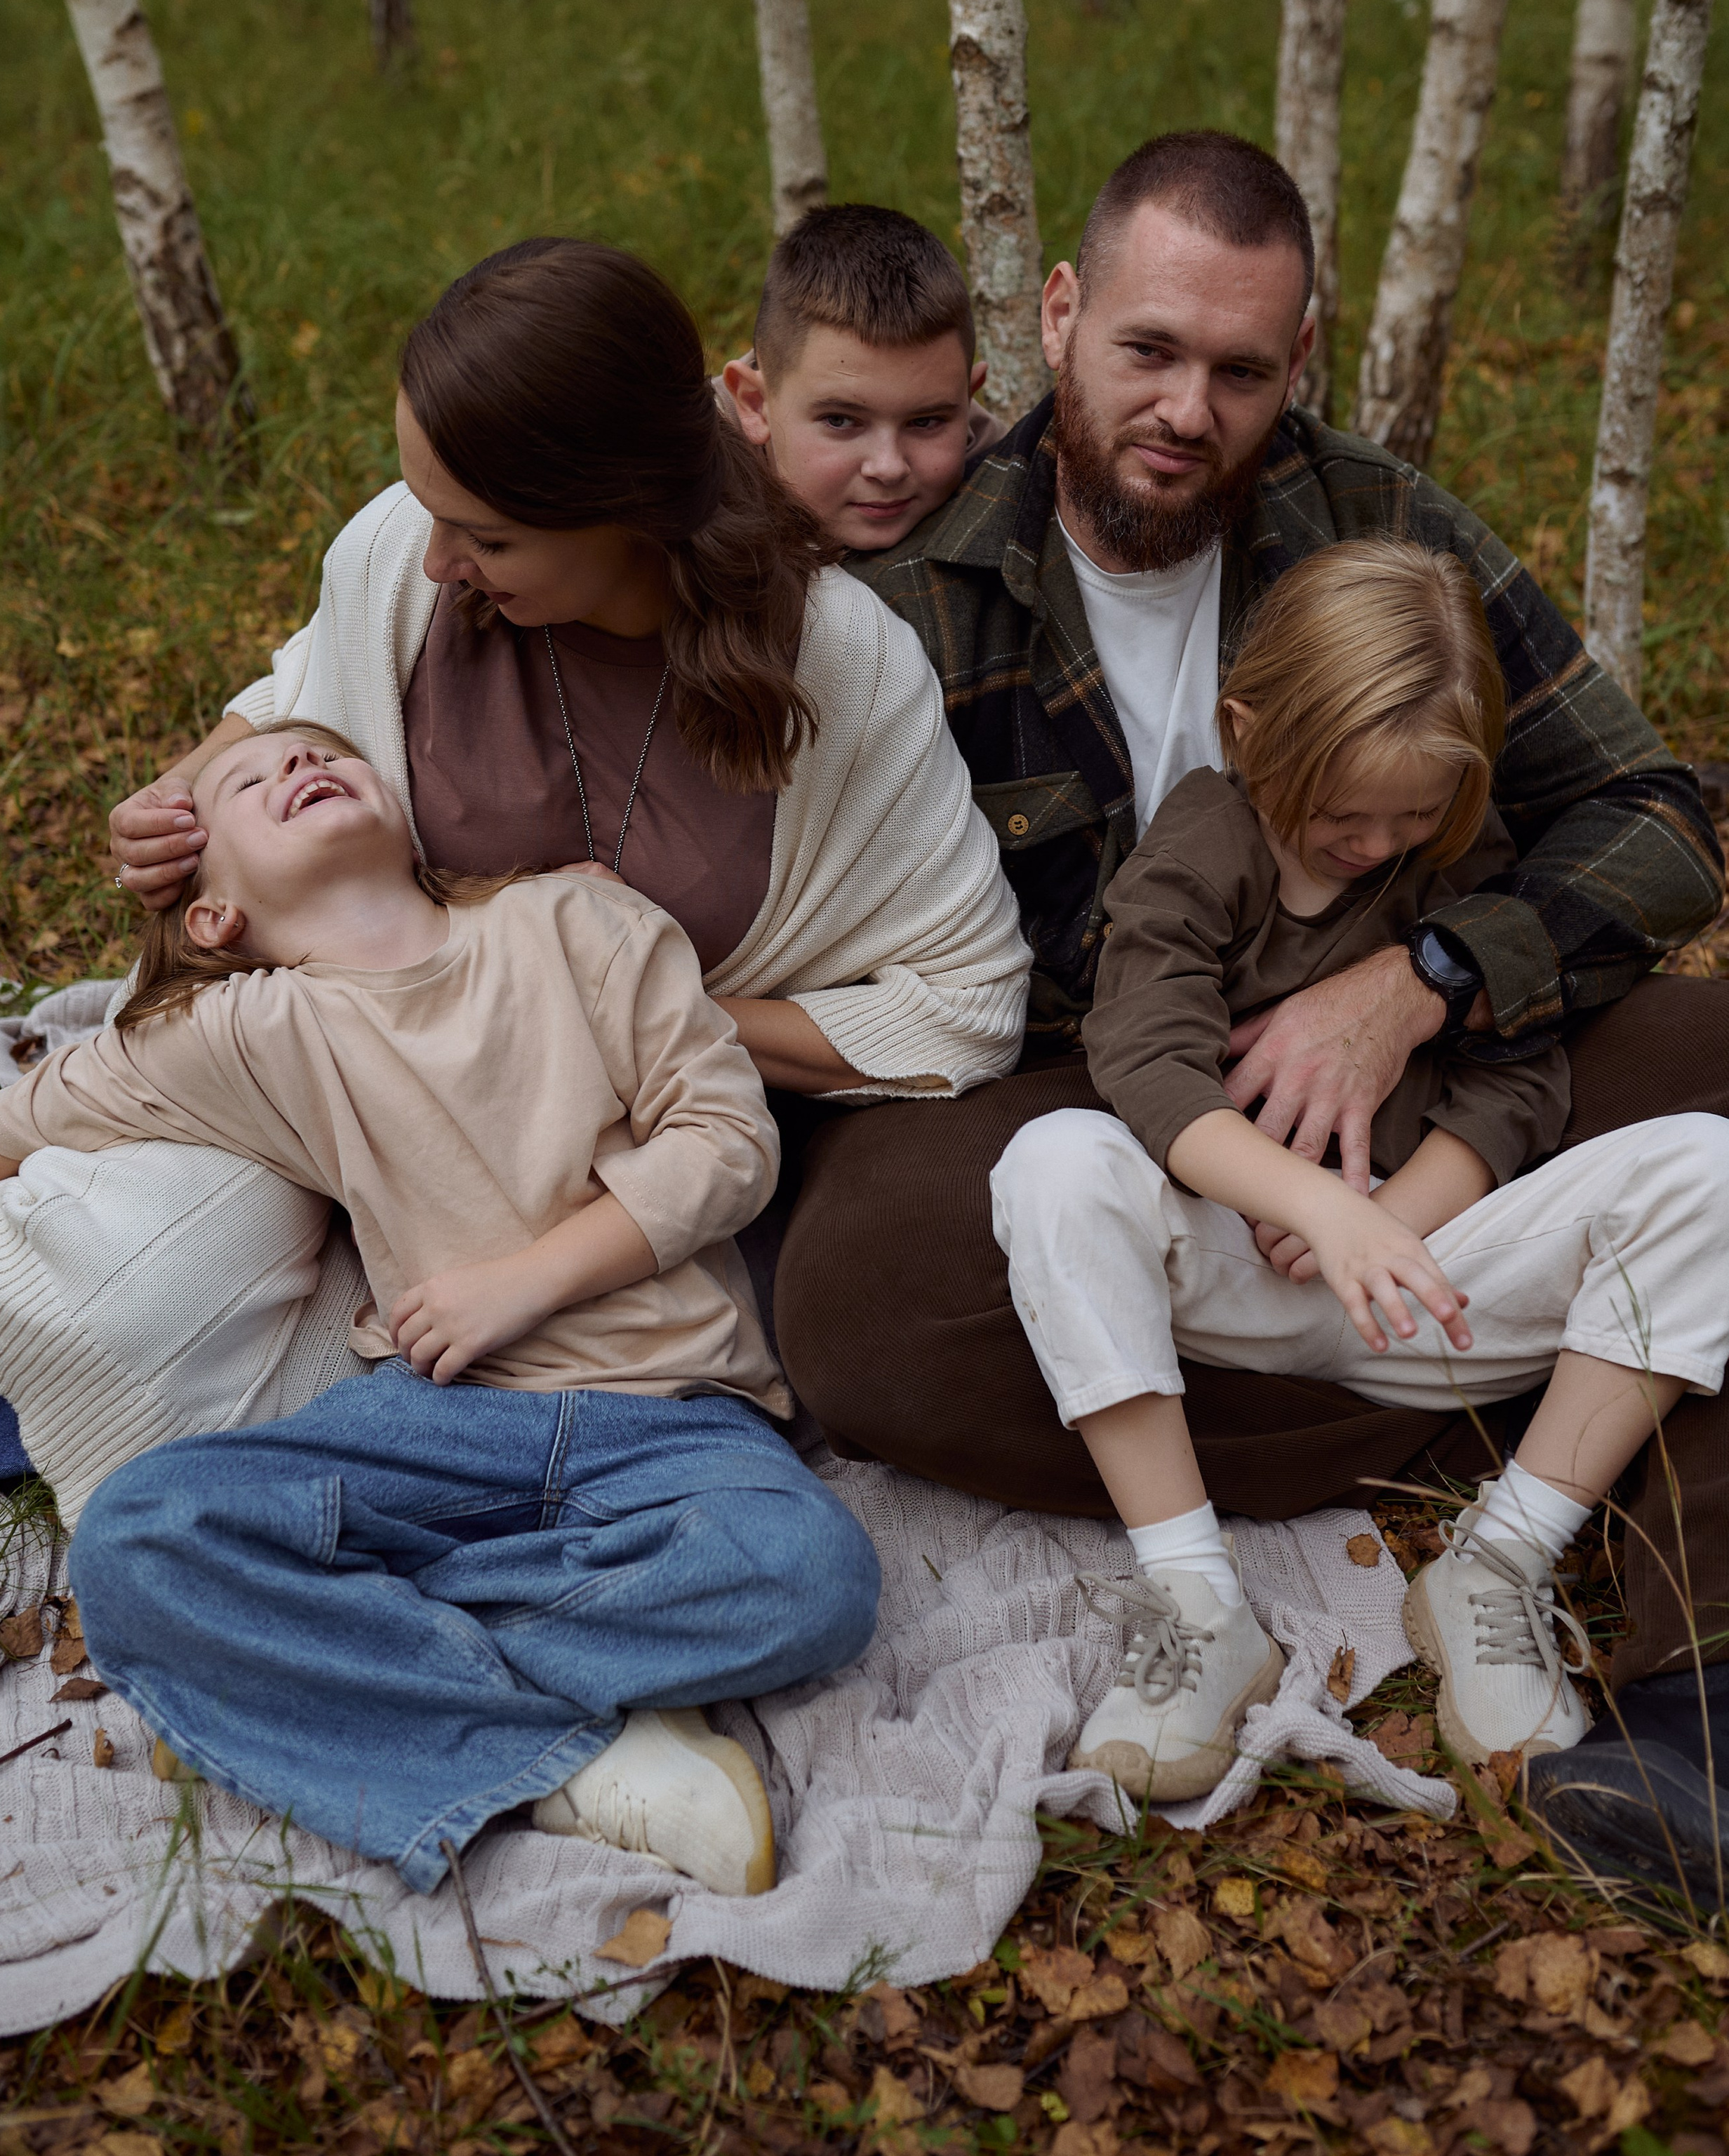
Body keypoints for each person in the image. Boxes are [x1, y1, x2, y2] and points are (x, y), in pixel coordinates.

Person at [772, 130, 1729, 1856]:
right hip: (1085, 1096)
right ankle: (1447, 1411)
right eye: (1144, 349)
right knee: (850, 1296)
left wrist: (1423, 977)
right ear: (1058, 316)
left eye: (1234, 368)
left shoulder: (1365, 524)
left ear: (1293, 362)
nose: (1183, 408)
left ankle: (1687, 1686)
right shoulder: (913, 582)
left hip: (1424, 1097)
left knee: (1717, 1082)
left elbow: (1655, 815)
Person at [0, 239, 1028, 1520]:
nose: (441, 558)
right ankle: (278, 1480)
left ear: (629, 511)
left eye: (488, 535)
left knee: (766, 1390)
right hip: (362, 1106)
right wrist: (179, 803)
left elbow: (966, 1004)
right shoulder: (407, 561)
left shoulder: (844, 670)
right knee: (100, 1278)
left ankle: (398, 1484)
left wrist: (616, 1014)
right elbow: (295, 699)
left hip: (657, 1155)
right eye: (433, 511)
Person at [0, 721, 881, 1897]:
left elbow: (730, 1142)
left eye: (320, 752)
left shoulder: (580, 924)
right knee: (137, 1537)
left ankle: (317, 1679)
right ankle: (580, 1762)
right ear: (211, 914)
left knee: (812, 1573)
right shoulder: (245, 1032)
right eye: (248, 776)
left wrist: (521, 1282)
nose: (294, 766)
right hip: (440, 1428)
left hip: (678, 1419)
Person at [992, 541, 1729, 1796]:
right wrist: (1316, 1206)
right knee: (1054, 1163)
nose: (1376, 843)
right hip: (1228, 1269)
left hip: (1420, 1281)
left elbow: (1518, 1077)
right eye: (1345, 814)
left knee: (1709, 1168)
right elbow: (1149, 1060)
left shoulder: (1456, 855)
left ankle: (1498, 1561)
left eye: (1412, 817)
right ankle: (1196, 1601)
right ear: (1247, 728)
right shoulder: (1203, 842)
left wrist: (1394, 1224)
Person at [721, 203, 996, 555]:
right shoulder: (678, 498)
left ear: (968, 398)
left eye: (925, 422)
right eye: (840, 421)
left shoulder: (1007, 481)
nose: (889, 468)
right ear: (755, 405)